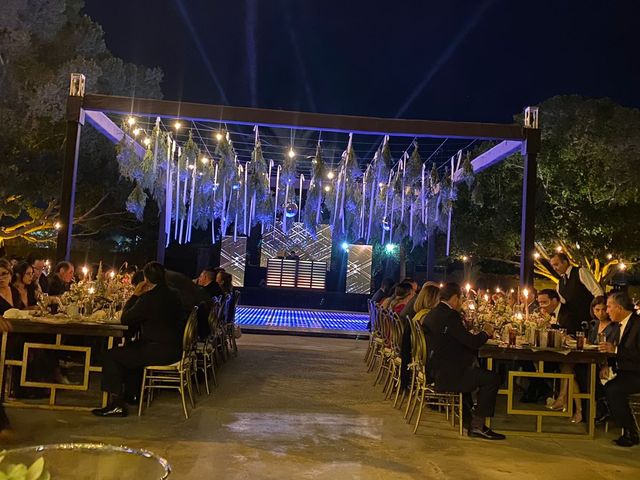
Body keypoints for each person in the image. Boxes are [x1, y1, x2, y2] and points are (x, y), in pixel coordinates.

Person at [92, 262, 184, 418]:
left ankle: (116, 404)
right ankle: (133, 395)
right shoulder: (174, 294)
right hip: (176, 347)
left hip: (160, 350)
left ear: (146, 279)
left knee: (111, 355)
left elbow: (126, 319)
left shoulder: (149, 298)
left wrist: (135, 295)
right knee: (131, 349)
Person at [422, 282, 504, 440]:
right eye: (460, 299)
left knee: (475, 367)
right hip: (448, 375)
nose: (461, 303)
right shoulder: (450, 315)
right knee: (492, 378)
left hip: (436, 370)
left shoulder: (433, 313)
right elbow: (472, 342)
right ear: (454, 298)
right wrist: (486, 333)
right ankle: (477, 426)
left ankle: (468, 415)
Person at [599, 292, 640, 447]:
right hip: (622, 371)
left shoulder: (637, 324)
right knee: (591, 379)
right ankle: (598, 416)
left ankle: (630, 431)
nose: (607, 310)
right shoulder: (618, 326)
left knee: (613, 389)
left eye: (609, 307)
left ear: (619, 307)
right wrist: (605, 364)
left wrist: (616, 350)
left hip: (635, 372)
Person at [549, 253, 604, 334]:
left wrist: (597, 314)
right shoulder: (559, 283)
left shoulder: (581, 272)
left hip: (589, 322)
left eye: (556, 264)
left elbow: (598, 292)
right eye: (553, 266)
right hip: (572, 326)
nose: (554, 268)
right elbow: (562, 305)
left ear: (565, 262)